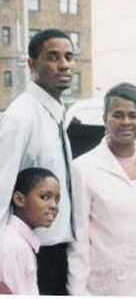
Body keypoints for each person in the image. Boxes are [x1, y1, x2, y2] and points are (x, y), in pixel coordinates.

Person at [67, 83, 136, 295]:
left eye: (132, 115)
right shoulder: (83, 169)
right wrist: (78, 292)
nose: (126, 122)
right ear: (104, 118)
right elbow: (78, 241)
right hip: (104, 287)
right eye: (118, 115)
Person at [0, 28, 75, 294]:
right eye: (53, 56)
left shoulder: (53, 114)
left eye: (68, 56)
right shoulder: (21, 115)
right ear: (32, 64)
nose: (64, 64)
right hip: (29, 255)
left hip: (56, 252)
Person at [0, 167, 60, 295]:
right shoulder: (14, 246)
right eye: (45, 197)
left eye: (57, 199)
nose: (54, 205)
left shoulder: (20, 242)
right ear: (19, 199)